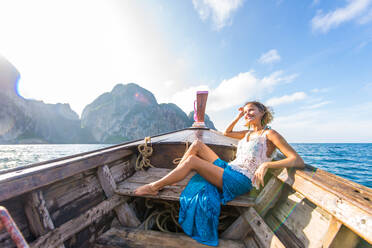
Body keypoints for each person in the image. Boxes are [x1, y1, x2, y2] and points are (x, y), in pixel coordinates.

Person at [134, 101, 304, 246]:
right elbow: (226, 133)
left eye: (251, 110)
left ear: (262, 112)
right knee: (197, 145)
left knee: (193, 162)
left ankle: (154, 186)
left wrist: (267, 164)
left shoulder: (270, 134)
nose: (247, 113)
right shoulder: (247, 134)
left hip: (241, 180)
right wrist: (239, 117)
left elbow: (297, 159)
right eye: (245, 112)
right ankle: (177, 172)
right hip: (229, 169)